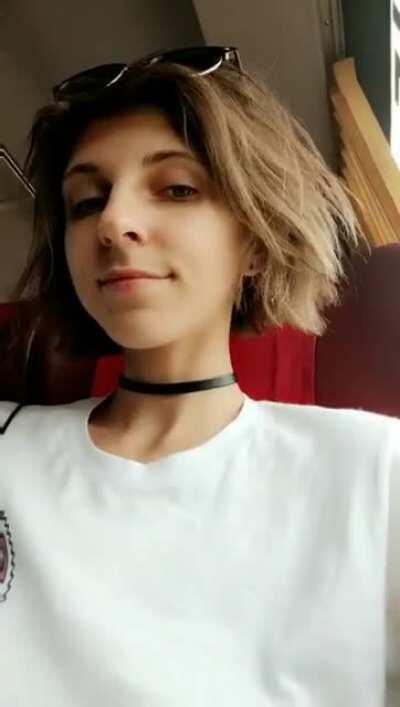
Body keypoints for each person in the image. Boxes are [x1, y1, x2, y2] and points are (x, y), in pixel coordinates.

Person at [1, 46, 399, 706]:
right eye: (86, 201)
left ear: (256, 240)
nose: (113, 223)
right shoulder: (9, 448)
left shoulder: (375, 472)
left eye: (178, 189)